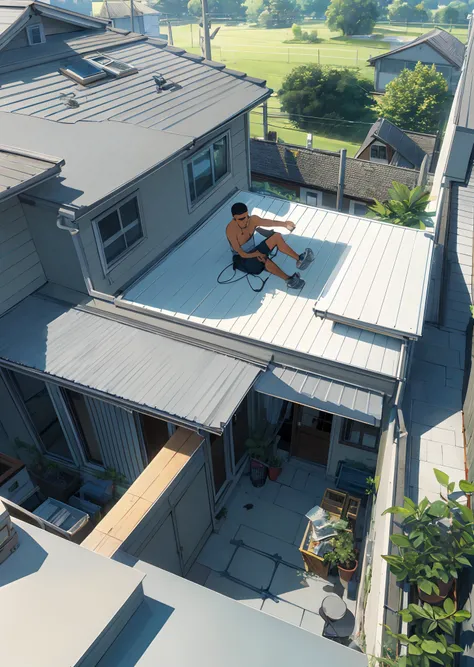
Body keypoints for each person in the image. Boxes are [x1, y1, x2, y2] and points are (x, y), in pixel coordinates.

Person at [226, 202, 314, 290]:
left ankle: (299, 259)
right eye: (241, 219)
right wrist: (257, 254)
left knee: (276, 236)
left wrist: (284, 224)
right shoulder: (231, 230)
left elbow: (268, 222)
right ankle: (289, 280)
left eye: (246, 216)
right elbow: (241, 254)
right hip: (242, 260)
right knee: (263, 258)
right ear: (234, 218)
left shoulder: (252, 220)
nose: (245, 221)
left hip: (254, 251)